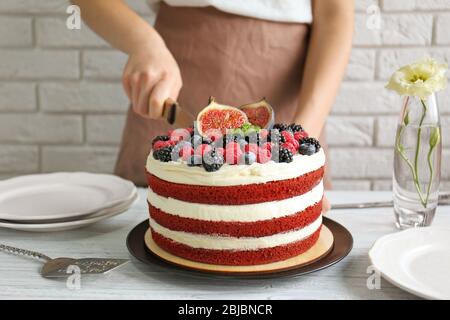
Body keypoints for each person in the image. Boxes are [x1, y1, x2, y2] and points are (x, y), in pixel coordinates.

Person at [72, 0, 354, 212]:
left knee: (281, 225)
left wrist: (299, 141)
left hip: (289, 83)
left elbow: (334, 13)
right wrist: (142, 43)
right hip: (174, 68)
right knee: (163, 216)